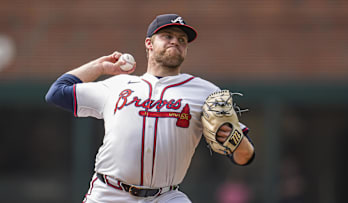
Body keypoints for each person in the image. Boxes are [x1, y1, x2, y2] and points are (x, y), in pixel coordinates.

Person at [45, 13, 255, 203]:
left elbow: (245, 156)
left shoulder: (205, 92)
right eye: (168, 36)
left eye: (182, 40)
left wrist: (236, 140)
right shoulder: (118, 85)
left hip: (166, 196)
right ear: (149, 43)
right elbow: (57, 93)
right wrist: (100, 66)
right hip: (108, 193)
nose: (176, 41)